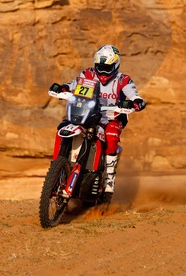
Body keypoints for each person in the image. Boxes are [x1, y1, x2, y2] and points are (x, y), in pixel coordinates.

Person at [51, 44, 146, 194]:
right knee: (62, 128)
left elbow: (135, 96)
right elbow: (73, 85)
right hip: (87, 113)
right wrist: (62, 88)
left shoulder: (123, 80)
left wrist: (135, 102)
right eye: (99, 67)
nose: (102, 71)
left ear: (115, 66)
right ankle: (55, 167)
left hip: (111, 118)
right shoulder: (88, 74)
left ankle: (109, 178)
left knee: (111, 134)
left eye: (107, 68)